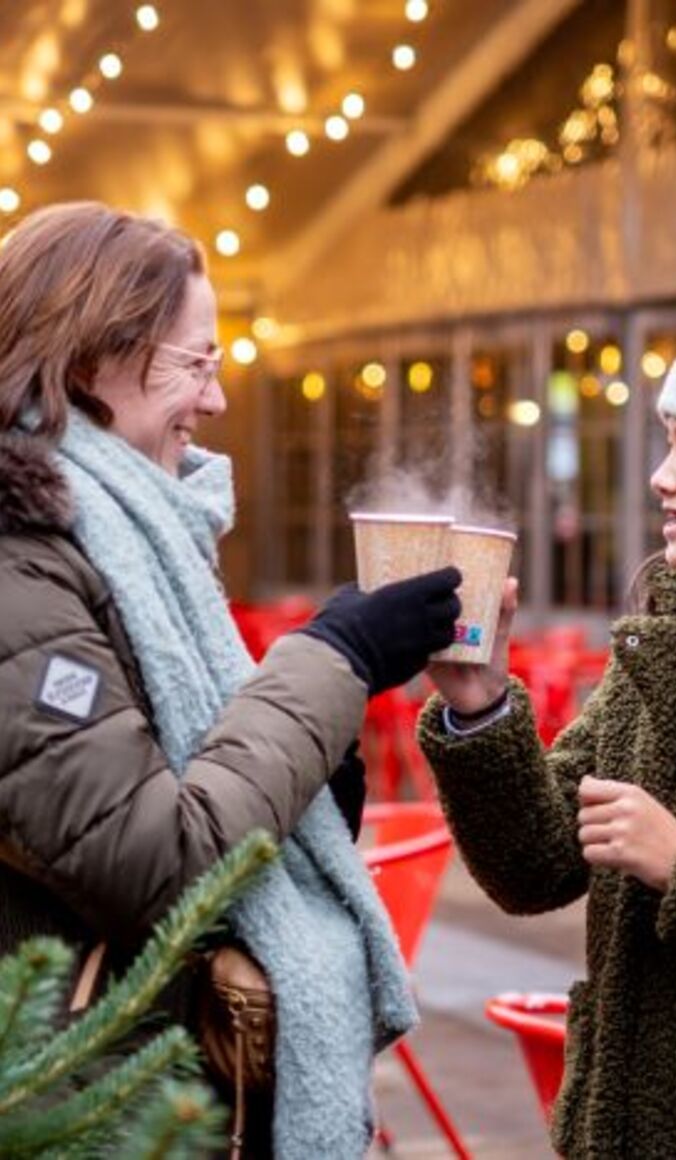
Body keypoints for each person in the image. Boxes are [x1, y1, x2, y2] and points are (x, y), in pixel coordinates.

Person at [0, 201, 462, 1159]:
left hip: (124, 1084)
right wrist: (333, 661)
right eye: (195, 363)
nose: (214, 403)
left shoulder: (124, 537)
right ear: (88, 362)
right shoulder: (21, 563)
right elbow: (156, 859)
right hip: (71, 1106)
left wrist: (323, 759)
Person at [418, 326, 676, 1160]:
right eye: (668, 446)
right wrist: (481, 709)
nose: (661, 477)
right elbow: (535, 865)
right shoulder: (660, 644)